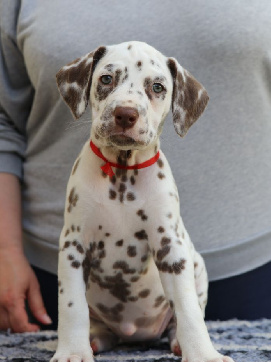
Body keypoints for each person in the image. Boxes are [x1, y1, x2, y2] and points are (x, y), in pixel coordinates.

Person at [0, 0, 271, 333]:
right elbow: (3, 119)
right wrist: (4, 247)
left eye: (156, 88)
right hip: (57, 279)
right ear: (82, 87)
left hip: (252, 267)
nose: (126, 107)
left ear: (178, 103)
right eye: (108, 81)